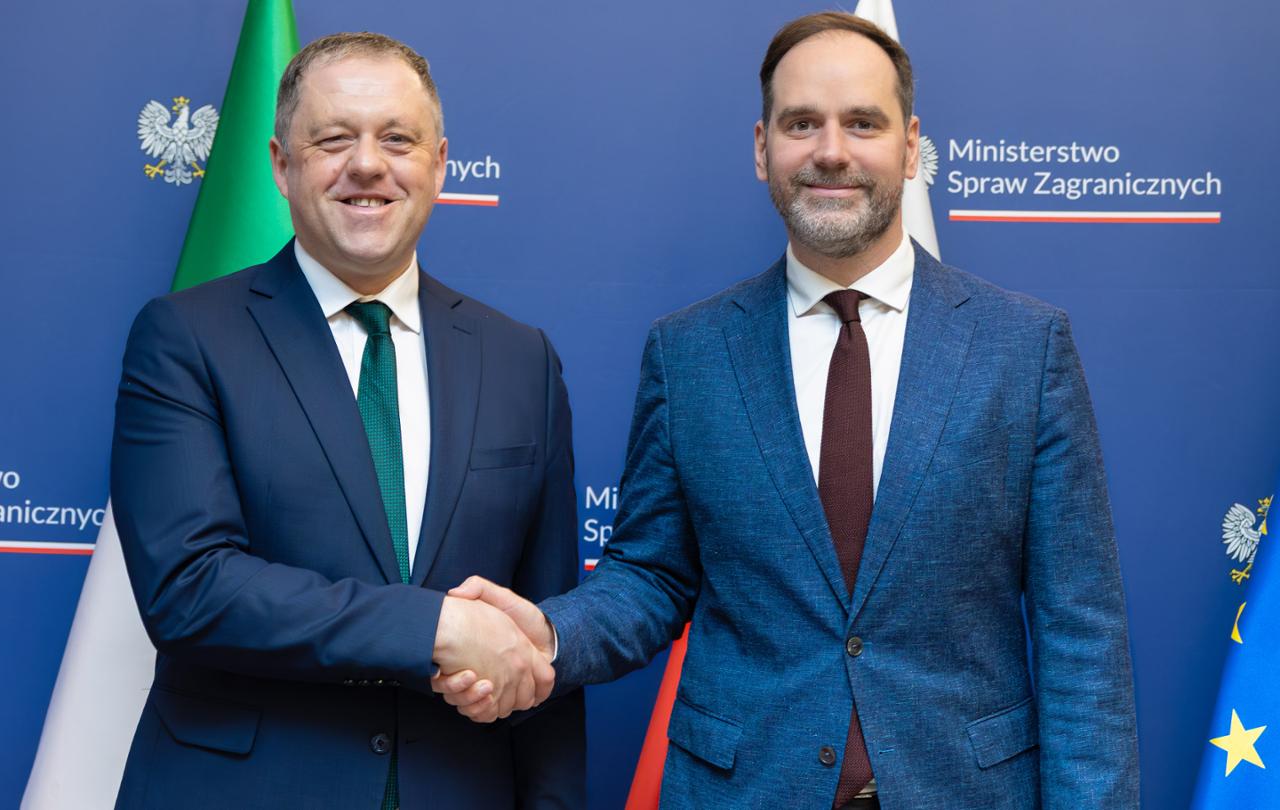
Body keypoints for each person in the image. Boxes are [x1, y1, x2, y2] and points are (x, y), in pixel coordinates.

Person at [435, 12, 1137, 809]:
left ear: (910, 147)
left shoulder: (1025, 347)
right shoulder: (690, 353)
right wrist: (548, 636)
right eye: (803, 123)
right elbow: (651, 574)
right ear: (763, 148)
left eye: (861, 124)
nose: (831, 150)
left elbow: (1081, 633)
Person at [109, 31, 583, 809]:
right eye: (334, 140)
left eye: (398, 139)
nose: (368, 164)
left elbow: (543, 637)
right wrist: (434, 626)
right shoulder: (186, 338)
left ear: (439, 163)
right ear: (280, 166)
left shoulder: (520, 359)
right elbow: (189, 589)